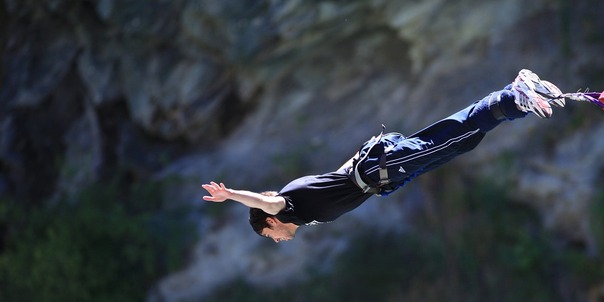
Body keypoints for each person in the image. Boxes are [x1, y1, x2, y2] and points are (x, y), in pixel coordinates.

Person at [201, 69, 564, 243]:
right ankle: (517, 96)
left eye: (270, 236)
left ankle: (513, 97)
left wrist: (231, 194)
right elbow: (340, 174)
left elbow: (265, 200)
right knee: (460, 140)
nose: (276, 241)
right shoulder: (306, 215)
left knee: (458, 134)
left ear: (270, 222)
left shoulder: (287, 205)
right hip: (385, 171)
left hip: (382, 167)